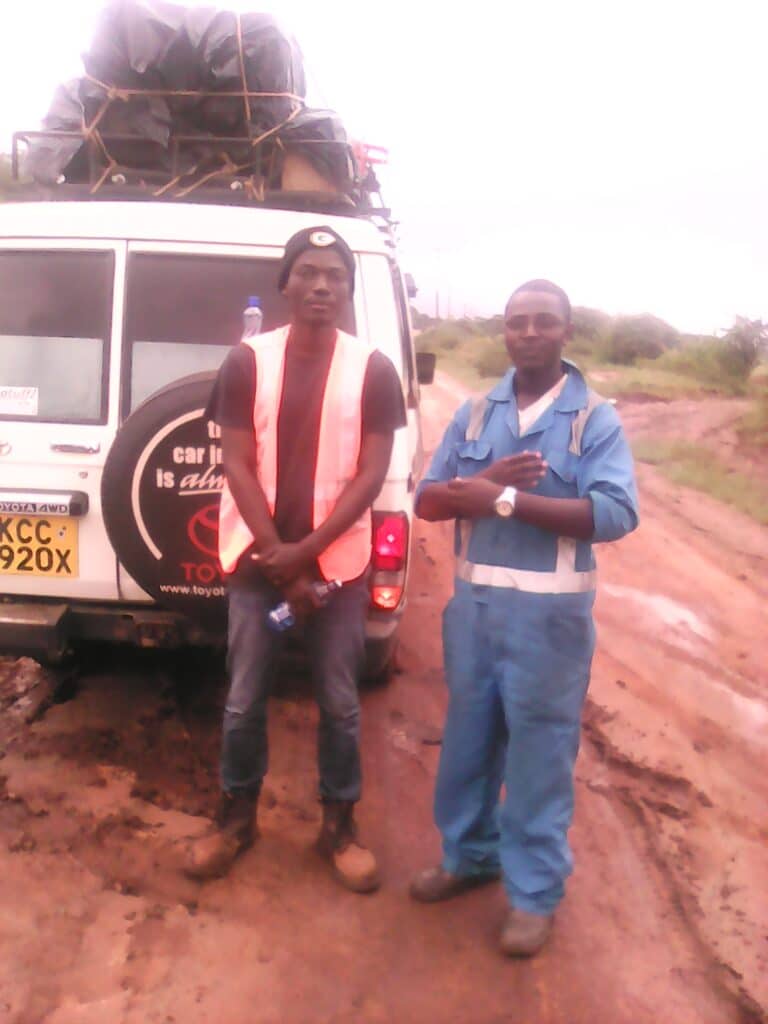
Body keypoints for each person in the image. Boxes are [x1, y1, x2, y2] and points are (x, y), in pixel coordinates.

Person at [409, 279, 638, 955]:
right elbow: (426, 501)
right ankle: (468, 857)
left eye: (543, 321)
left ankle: (534, 894)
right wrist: (470, 494)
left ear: (567, 331)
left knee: (540, 757)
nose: (529, 332)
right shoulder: (476, 414)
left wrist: (501, 498)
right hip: (475, 615)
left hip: (551, 623)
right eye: (516, 322)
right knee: (468, 743)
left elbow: (616, 513)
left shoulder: (591, 419)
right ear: (503, 332)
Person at [185, 226, 406, 892]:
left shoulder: (373, 368)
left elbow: (371, 474)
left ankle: (338, 830)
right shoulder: (248, 361)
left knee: (340, 703)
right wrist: (278, 559)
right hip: (258, 567)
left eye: (334, 274)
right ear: (285, 283)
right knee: (244, 700)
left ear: (348, 287)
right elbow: (236, 461)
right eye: (307, 272)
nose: (320, 284)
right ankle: (235, 820)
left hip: (336, 569)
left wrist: (306, 557)